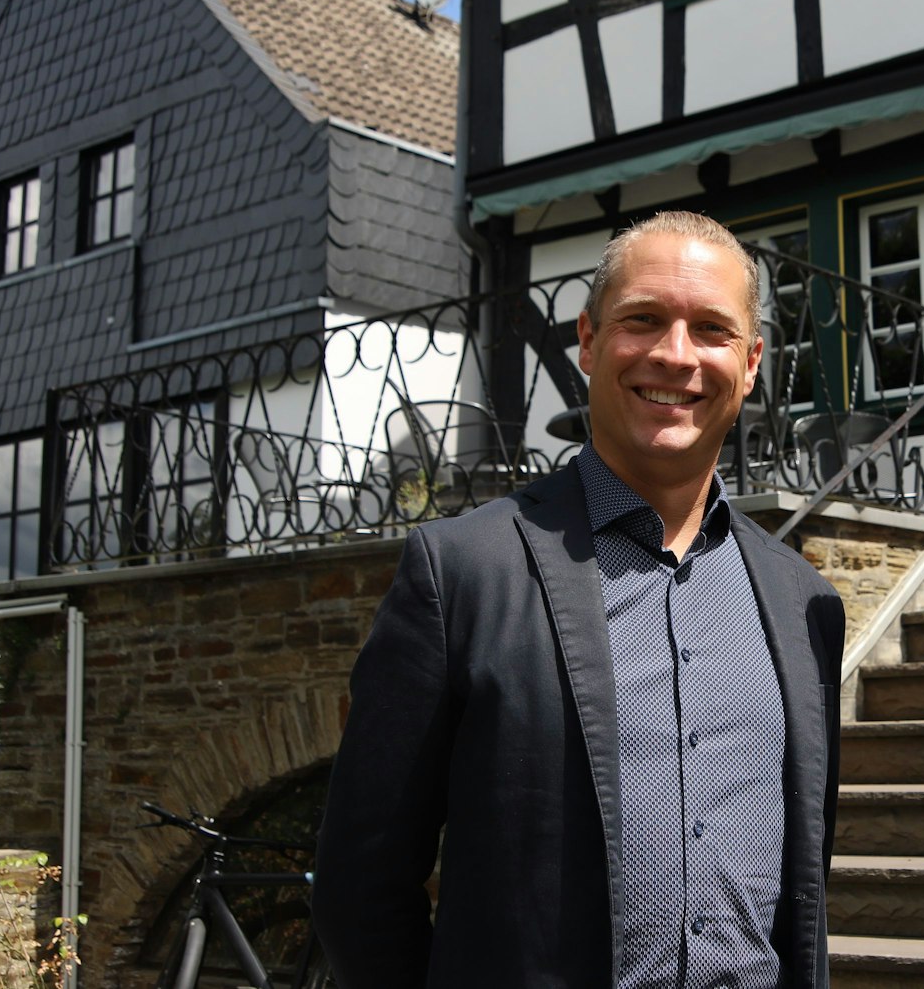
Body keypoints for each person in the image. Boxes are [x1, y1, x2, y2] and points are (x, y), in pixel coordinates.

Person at [314, 211, 844, 988]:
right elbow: (362, 888)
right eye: (643, 319)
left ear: (752, 361)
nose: (675, 353)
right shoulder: (462, 575)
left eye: (711, 329)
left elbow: (804, 891)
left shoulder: (804, 603)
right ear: (589, 341)